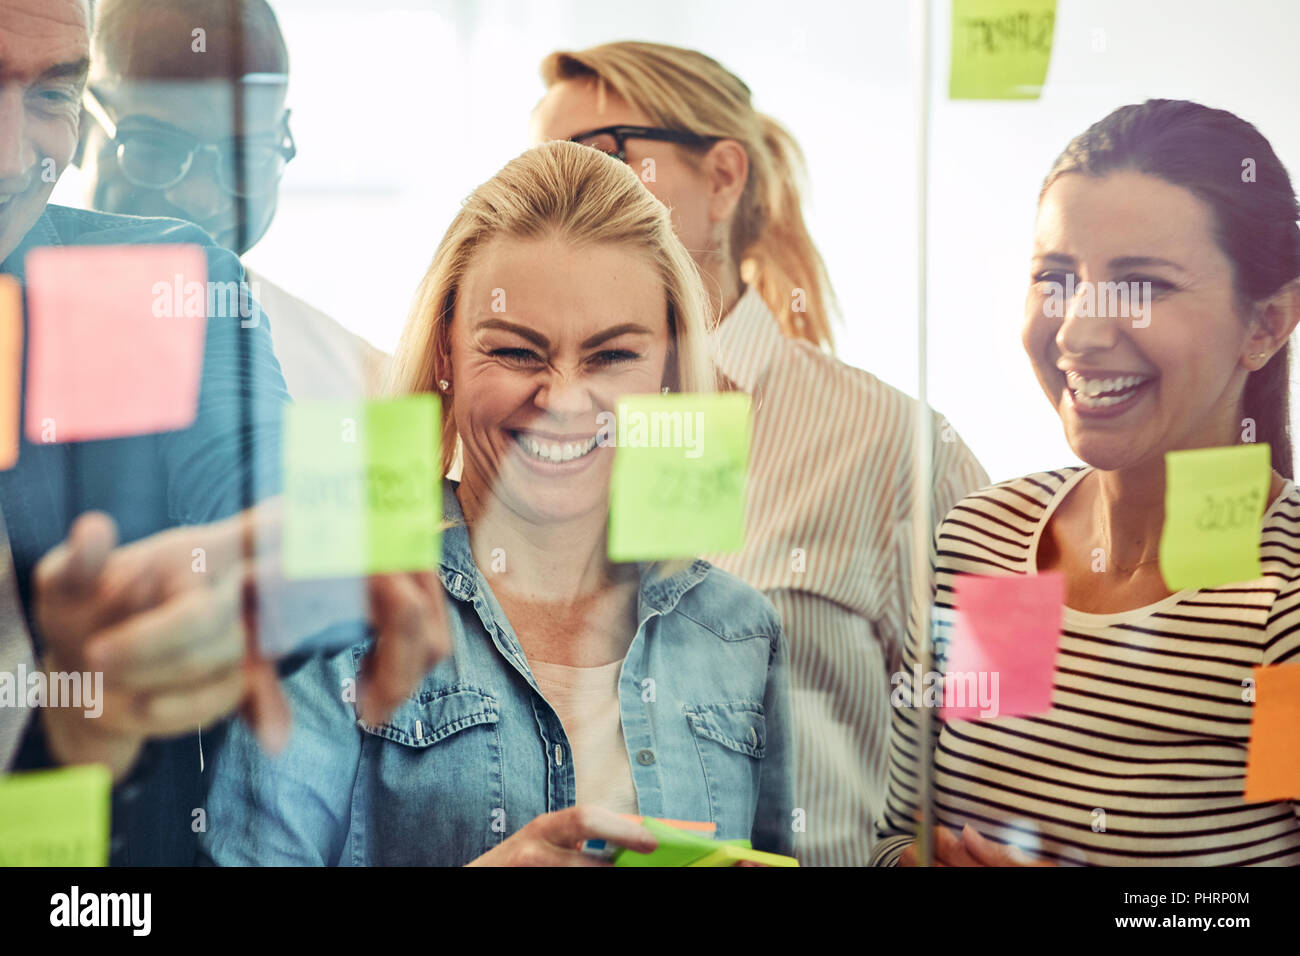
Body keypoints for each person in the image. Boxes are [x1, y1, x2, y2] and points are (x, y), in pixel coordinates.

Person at [201, 140, 795, 866]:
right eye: (516, 352)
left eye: (612, 357)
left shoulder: (738, 632)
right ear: (446, 353)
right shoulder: (339, 600)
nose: (565, 400)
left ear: (668, 371)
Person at [2, 0, 447, 866]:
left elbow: (256, 475)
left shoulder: (157, 286)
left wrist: (296, 557)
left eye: (52, 95)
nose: (14, 157)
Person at [531, 41, 989, 864]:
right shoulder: (522, 443)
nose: (568, 201)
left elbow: (1013, 735)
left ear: (722, 178)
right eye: (543, 172)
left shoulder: (900, 443)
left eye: (602, 158)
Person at [872, 99, 1300, 866]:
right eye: (1056, 277)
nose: (1077, 333)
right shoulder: (988, 545)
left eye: (1141, 286)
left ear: (1265, 325)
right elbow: (896, 831)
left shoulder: (1280, 603)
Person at [77, 0, 387, 400]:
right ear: (77, 124)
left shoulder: (363, 390)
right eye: (155, 148)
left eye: (245, 156)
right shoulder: (13, 344)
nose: (202, 200)